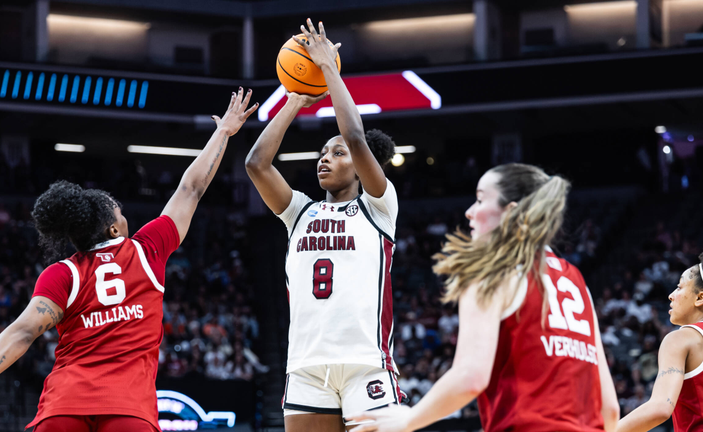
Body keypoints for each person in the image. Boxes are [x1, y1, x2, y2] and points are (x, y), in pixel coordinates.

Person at [0, 87, 258, 432]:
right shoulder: (147, 250)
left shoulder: (62, 274)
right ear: (114, 229)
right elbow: (190, 188)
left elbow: (23, 332)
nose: (125, 215)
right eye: (120, 211)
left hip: (64, 406)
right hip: (128, 410)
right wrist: (223, 133)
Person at [347, 163, 620, 432]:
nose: (469, 212)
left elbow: (470, 376)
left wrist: (407, 420)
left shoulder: (492, 271)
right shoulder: (575, 280)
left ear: (511, 213)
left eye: (479, 200)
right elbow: (609, 408)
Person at [245, 18, 401, 432]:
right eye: (321, 153)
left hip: (365, 364)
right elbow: (256, 164)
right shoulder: (301, 212)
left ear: (364, 166)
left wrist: (328, 68)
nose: (325, 159)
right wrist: (295, 100)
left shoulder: (379, 207)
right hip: (307, 366)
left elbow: (353, 135)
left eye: (337, 154)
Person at [616, 256, 703, 432]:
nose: (671, 295)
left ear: (700, 297)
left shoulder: (680, 339)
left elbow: (660, 408)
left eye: (679, 287)